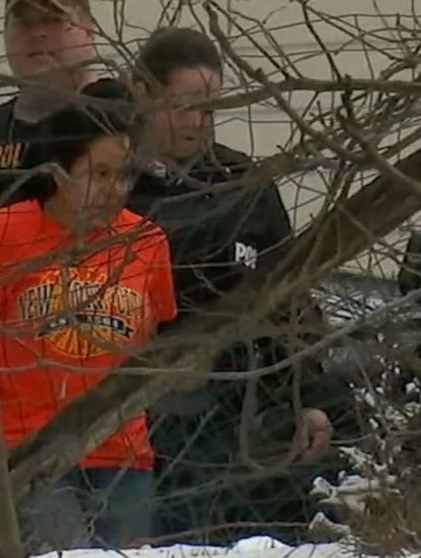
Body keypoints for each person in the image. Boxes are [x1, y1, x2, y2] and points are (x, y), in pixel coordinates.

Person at [124, 27, 353, 544]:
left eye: (210, 109)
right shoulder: (109, 187)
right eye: (184, 106)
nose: (198, 123)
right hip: (141, 406)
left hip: (242, 403)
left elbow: (291, 299)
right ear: (141, 93)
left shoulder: (242, 183)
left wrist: (312, 395)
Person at [0, 79, 176, 552]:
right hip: (31, 447)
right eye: (97, 174)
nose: (113, 189)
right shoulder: (5, 232)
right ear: (59, 173)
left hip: (122, 449)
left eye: (123, 175)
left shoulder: (146, 242)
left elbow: (149, 341)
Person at [0, 0, 104, 228]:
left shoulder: (122, 119)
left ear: (89, 29)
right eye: (23, 23)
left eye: (52, 19)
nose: (37, 33)